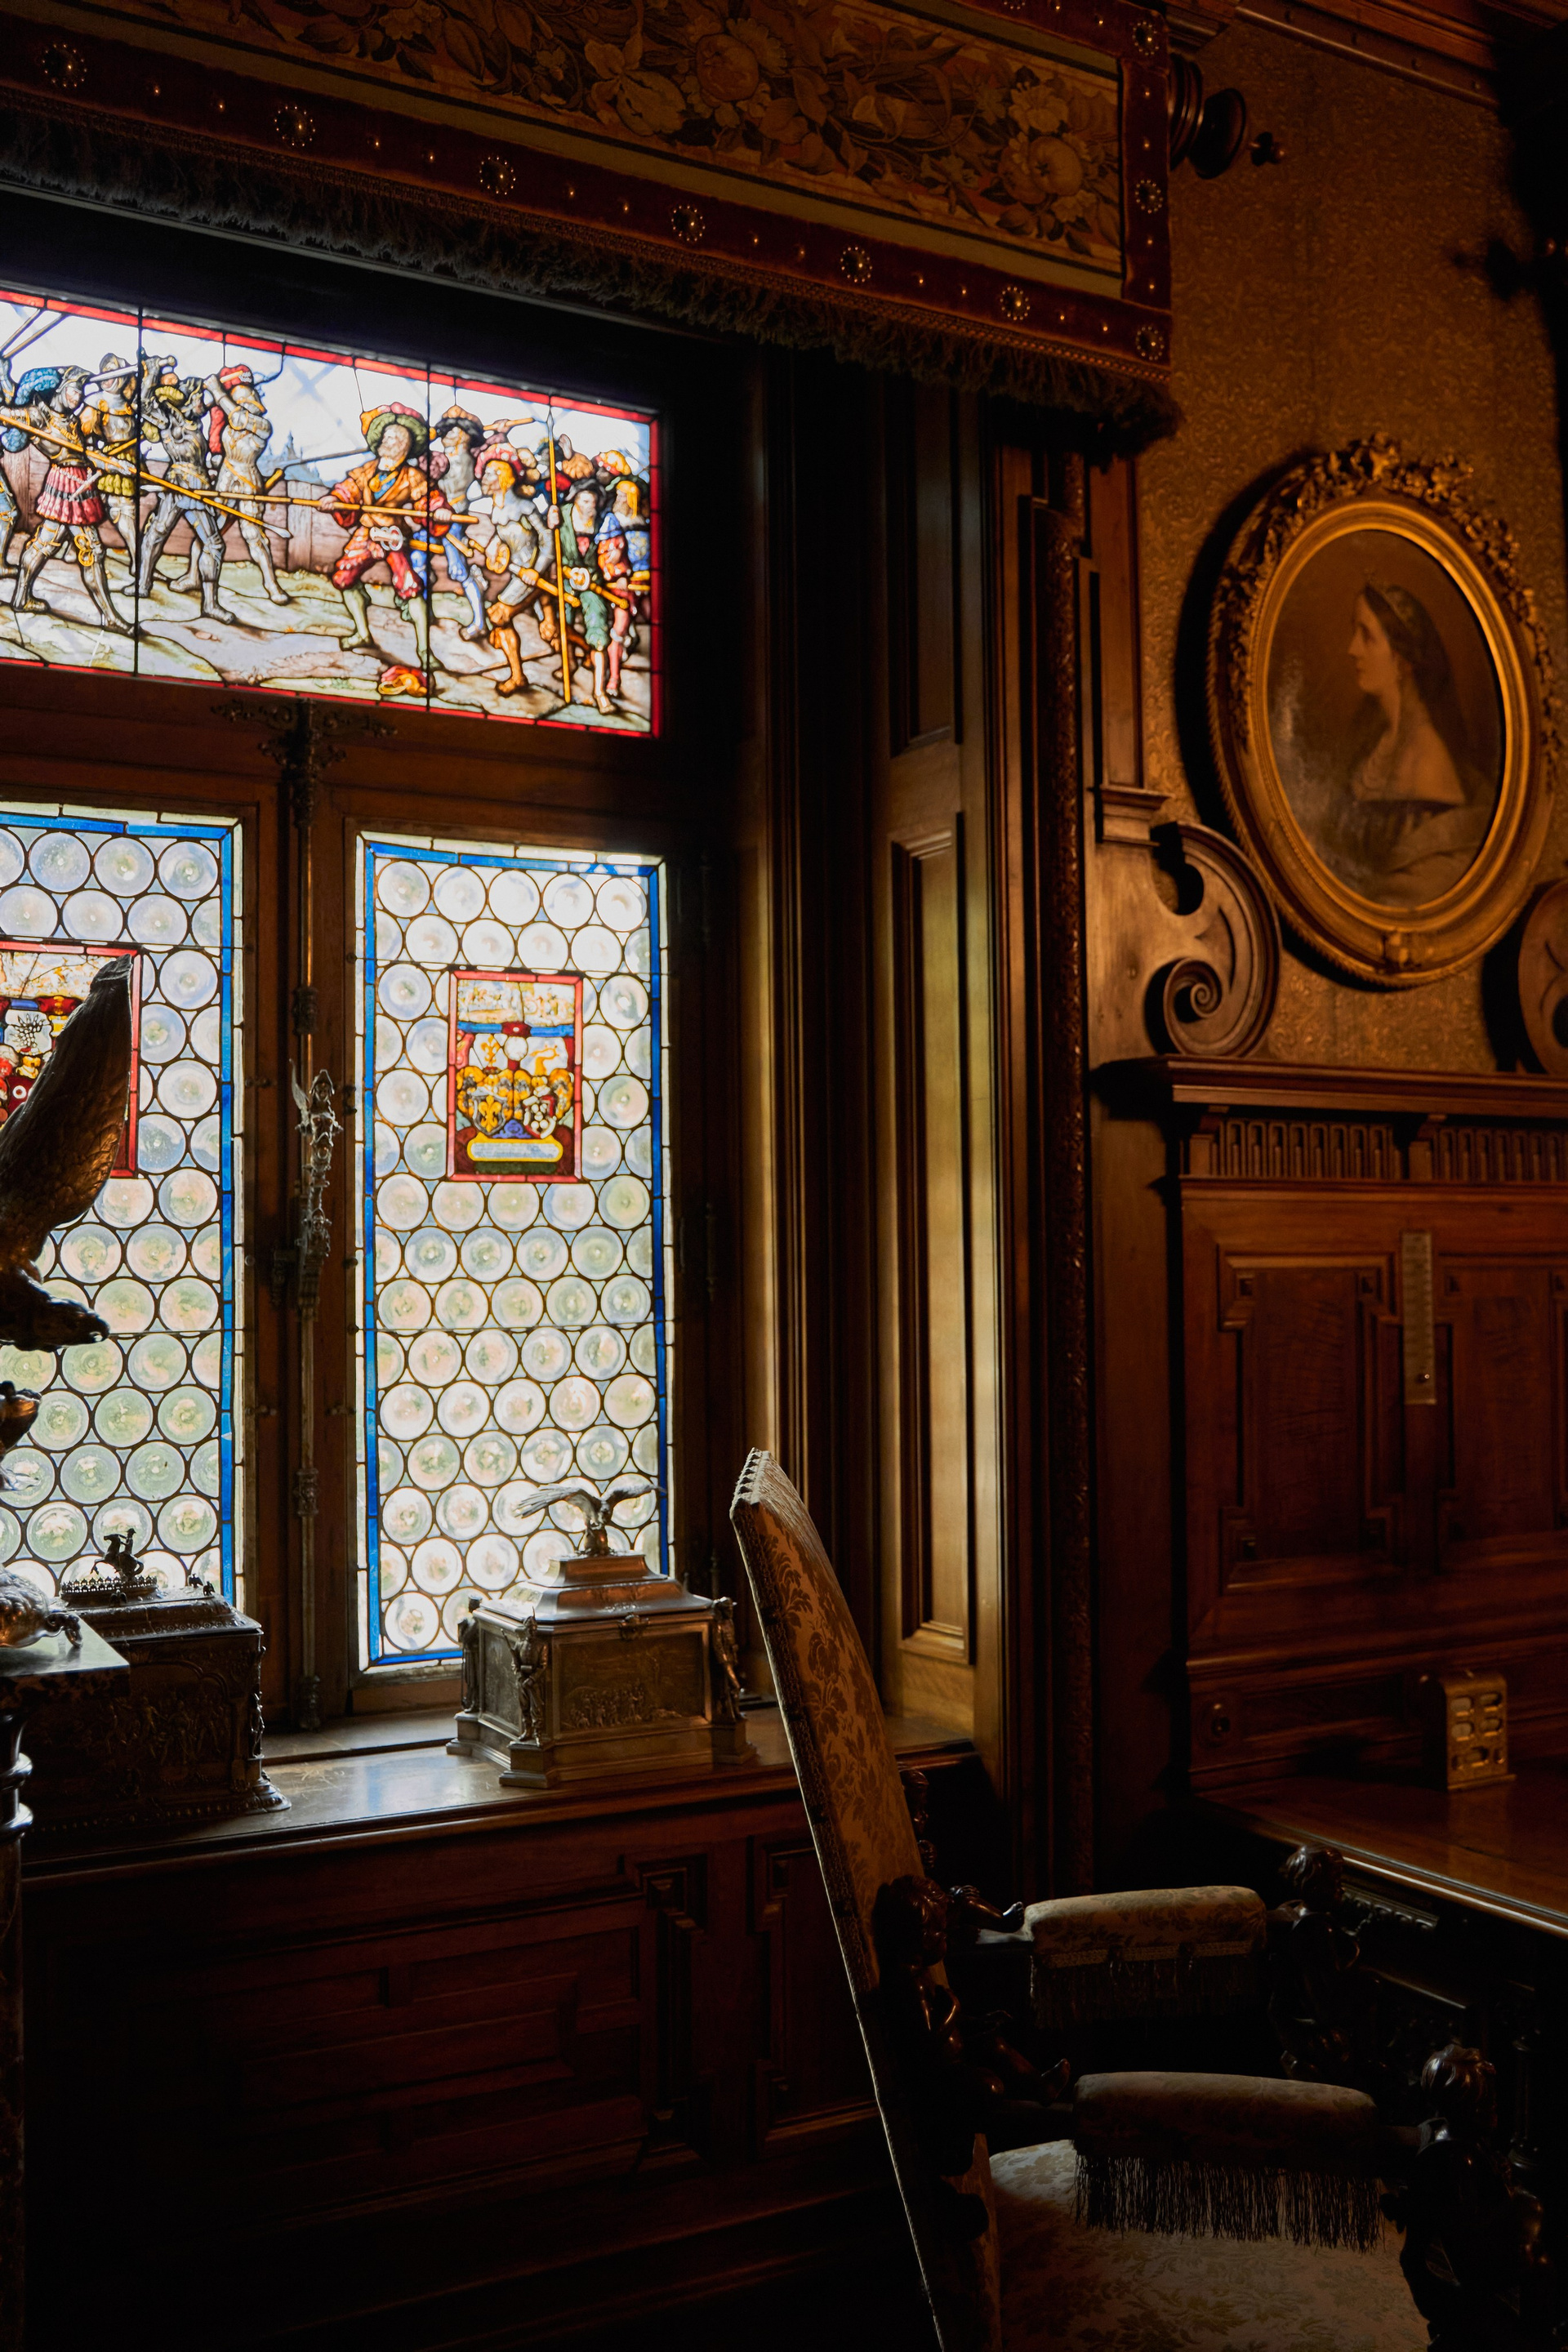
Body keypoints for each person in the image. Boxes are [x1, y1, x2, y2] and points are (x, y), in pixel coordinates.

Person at [1329, 582, 1491, 906]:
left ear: (1402, 659)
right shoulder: (1376, 740)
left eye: (1367, 636)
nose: (1352, 649)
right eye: (1354, 632)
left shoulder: (1428, 760)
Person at [321, 403, 452, 688]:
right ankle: (362, 633)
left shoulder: (413, 476)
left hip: (393, 535)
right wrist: (335, 499)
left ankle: (424, 650)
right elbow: (348, 490)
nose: (387, 442)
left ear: (405, 447)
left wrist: (439, 510)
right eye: (387, 437)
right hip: (367, 531)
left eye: (395, 439)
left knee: (410, 586)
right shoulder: (366, 470)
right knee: (343, 577)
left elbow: (428, 500)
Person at [0, 363, 128, 630]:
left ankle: (21, 598)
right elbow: (6, 414)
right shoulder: (38, 416)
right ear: (60, 388)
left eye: (81, 392)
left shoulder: (71, 421)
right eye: (74, 390)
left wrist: (113, 464)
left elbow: (82, 455)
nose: (77, 397)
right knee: (92, 549)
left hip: (76, 484)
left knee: (43, 545)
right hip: (66, 487)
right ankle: (110, 617)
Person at [137, 364, 234, 622]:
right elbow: (144, 405)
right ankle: (144, 586)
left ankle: (146, 586)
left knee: (158, 533)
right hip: (184, 485)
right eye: (200, 398)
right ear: (190, 400)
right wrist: (152, 372)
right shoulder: (170, 420)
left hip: (193, 485)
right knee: (166, 535)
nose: (204, 403)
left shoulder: (193, 422)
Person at [201, 363, 289, 605]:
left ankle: (271, 584)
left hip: (248, 479)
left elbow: (238, 418)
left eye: (243, 403)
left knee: (253, 534)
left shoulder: (262, 426)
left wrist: (218, 392)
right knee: (211, 529)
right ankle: (194, 576)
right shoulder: (230, 425)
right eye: (237, 403)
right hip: (226, 476)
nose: (238, 408)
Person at [80, 353, 146, 578]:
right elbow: (83, 442)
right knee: (119, 511)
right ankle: (138, 563)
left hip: (131, 462)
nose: (106, 379)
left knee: (121, 511)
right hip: (108, 464)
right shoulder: (95, 402)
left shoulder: (130, 404)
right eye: (104, 373)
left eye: (112, 373)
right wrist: (106, 463)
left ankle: (138, 563)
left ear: (122, 377)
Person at [429, 405, 489, 642]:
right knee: (418, 557)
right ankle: (423, 611)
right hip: (433, 517)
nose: (445, 435)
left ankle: (479, 622)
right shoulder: (445, 457)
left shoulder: (461, 459)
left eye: (451, 431)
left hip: (452, 519)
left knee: (458, 570)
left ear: (464, 435)